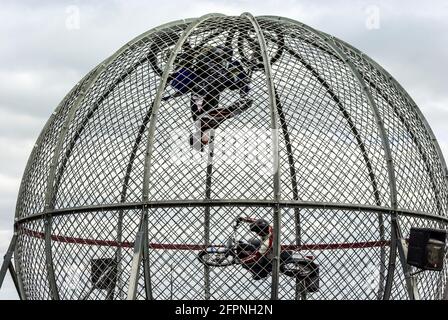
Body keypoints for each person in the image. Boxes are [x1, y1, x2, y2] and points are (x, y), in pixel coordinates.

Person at [166, 45, 253, 152]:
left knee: (238, 78)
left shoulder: (203, 124)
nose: (210, 140)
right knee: (231, 62)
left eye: (205, 141)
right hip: (212, 79)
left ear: (199, 137)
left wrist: (240, 106)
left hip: (211, 77)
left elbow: (223, 113)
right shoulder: (202, 123)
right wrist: (239, 105)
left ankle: (183, 52)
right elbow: (223, 113)